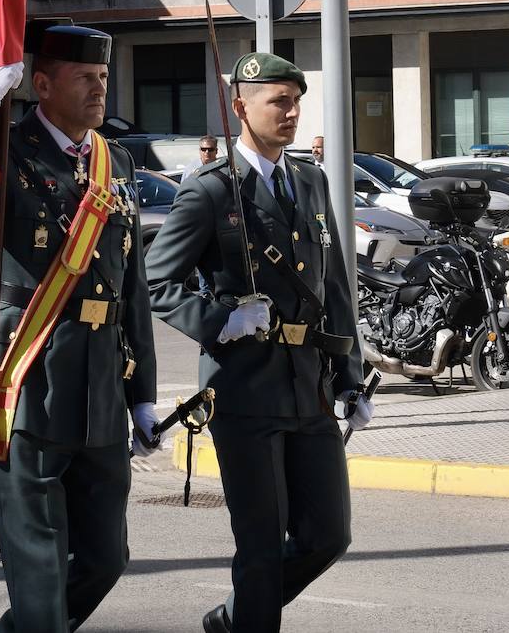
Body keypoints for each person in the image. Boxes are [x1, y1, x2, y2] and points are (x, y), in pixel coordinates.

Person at [0, 25, 158, 632]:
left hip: (102, 393)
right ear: (43, 83)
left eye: (103, 78)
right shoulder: (8, 147)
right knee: (38, 574)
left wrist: (144, 396)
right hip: (31, 383)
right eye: (84, 78)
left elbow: (130, 282)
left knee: (106, 558)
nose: (98, 89)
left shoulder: (117, 160)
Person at [145, 52, 372, 633]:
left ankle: (234, 618)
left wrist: (350, 375)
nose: (291, 112)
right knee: (262, 546)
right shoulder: (211, 191)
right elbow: (157, 282)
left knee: (328, 535)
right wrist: (221, 319)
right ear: (240, 107)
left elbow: (335, 284)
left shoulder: (310, 180)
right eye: (278, 101)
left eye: (295, 100)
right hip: (244, 390)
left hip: (309, 387)